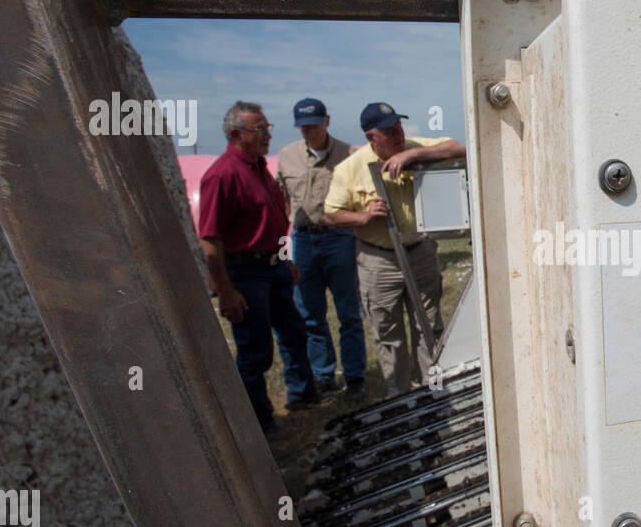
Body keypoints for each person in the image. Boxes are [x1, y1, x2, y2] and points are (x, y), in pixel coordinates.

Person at [324, 102, 466, 397]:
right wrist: (363, 216)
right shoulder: (349, 169)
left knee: (428, 323)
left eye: (399, 127)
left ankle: (433, 390)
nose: (398, 134)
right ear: (371, 138)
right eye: (389, 132)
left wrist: (413, 154)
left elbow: (458, 148)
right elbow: (331, 214)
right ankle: (399, 395)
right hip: (379, 259)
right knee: (388, 331)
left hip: (420, 251)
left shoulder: (413, 146)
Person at [198, 101, 321, 438]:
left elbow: (276, 221)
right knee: (255, 350)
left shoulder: (259, 168)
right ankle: (260, 423)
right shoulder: (221, 175)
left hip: (275, 267)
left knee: (294, 332)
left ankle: (302, 394)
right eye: (260, 129)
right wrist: (225, 290)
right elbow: (210, 238)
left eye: (268, 128)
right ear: (237, 134)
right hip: (245, 273)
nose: (268, 134)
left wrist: (286, 259)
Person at [275, 98, 366, 399]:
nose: (308, 132)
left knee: (348, 312)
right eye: (303, 127)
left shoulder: (349, 155)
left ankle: (354, 377)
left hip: (339, 237)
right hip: (303, 238)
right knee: (310, 313)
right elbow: (280, 201)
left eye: (313, 125)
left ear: (326, 121)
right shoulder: (287, 156)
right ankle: (323, 375)